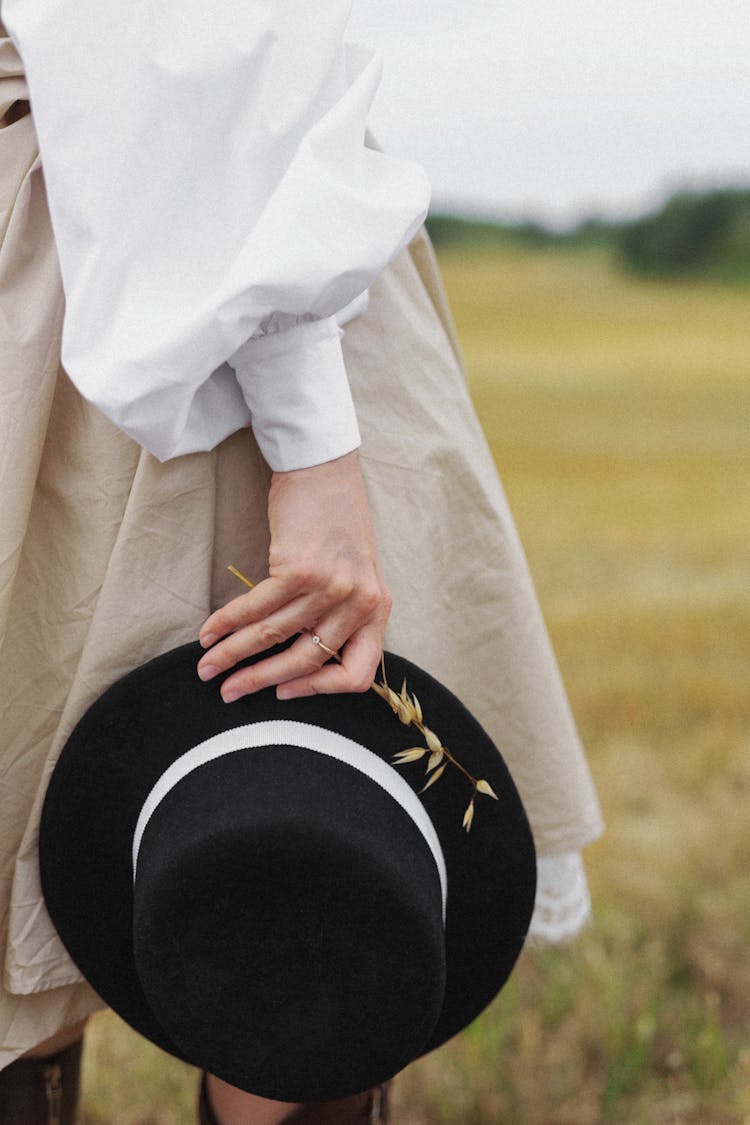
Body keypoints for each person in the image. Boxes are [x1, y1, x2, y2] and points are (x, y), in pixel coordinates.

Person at [0, 2, 603, 1123]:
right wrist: (315, 449)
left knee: (294, 869)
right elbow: (205, 37)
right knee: (310, 823)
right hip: (178, 250)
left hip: (130, 236)